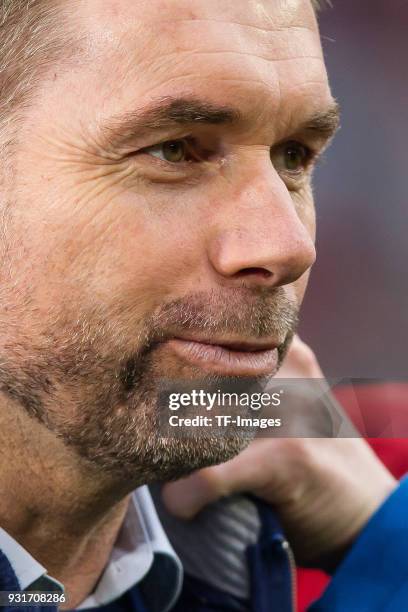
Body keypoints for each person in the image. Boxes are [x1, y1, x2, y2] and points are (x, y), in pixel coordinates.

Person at [0, 0, 403, 610]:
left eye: (294, 155)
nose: (291, 246)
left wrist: (380, 542)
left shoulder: (336, 495)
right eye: (175, 150)